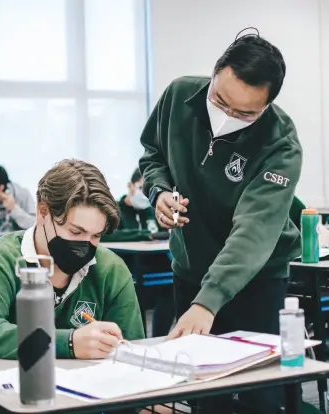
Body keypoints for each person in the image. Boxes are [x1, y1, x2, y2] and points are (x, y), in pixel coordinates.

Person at [139, 29, 302, 413]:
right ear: (214, 75)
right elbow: (151, 156)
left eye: (245, 113)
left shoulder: (281, 143)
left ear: (267, 106)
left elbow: (254, 232)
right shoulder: (179, 97)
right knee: (202, 388)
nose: (228, 117)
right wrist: (159, 192)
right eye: (221, 101)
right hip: (192, 265)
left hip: (256, 276)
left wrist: (208, 301)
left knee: (258, 392)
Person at [0, 159, 144, 363]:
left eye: (96, 236)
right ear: (43, 212)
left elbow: (132, 349)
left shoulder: (111, 270)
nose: (85, 246)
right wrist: (67, 343)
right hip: (6, 388)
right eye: (75, 232)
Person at [102, 168, 175, 337]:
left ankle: (160, 337)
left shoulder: (151, 210)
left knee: (172, 288)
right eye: (141, 187)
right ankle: (139, 337)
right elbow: (108, 235)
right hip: (130, 265)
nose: (144, 194)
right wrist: (145, 235)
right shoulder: (114, 210)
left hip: (156, 263)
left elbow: (163, 233)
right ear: (130, 186)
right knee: (135, 294)